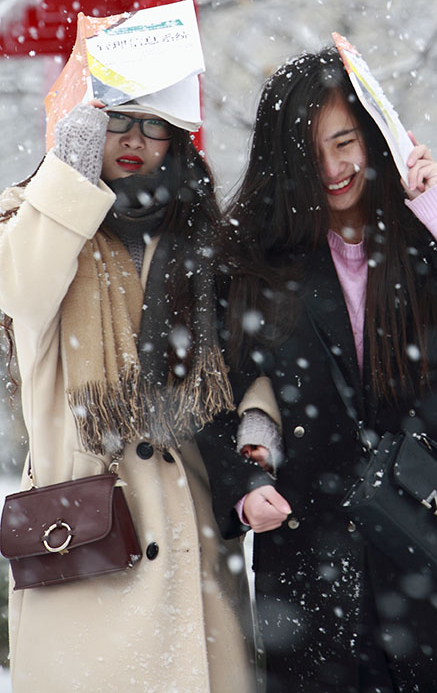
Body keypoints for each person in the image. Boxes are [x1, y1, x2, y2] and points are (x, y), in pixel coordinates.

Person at [207, 47, 437, 693]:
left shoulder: (417, 231)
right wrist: (243, 484)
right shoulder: (251, 264)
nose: (334, 169)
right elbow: (208, 399)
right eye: (311, 154)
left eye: (345, 142)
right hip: (315, 556)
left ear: (372, 137)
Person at [0, 96, 261, 693]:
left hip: (188, 527)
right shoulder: (34, 220)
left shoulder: (201, 235)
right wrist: (71, 169)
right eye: (116, 119)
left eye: (154, 125)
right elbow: (23, 293)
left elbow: (247, 362)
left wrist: (258, 423)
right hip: (84, 533)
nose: (133, 138)